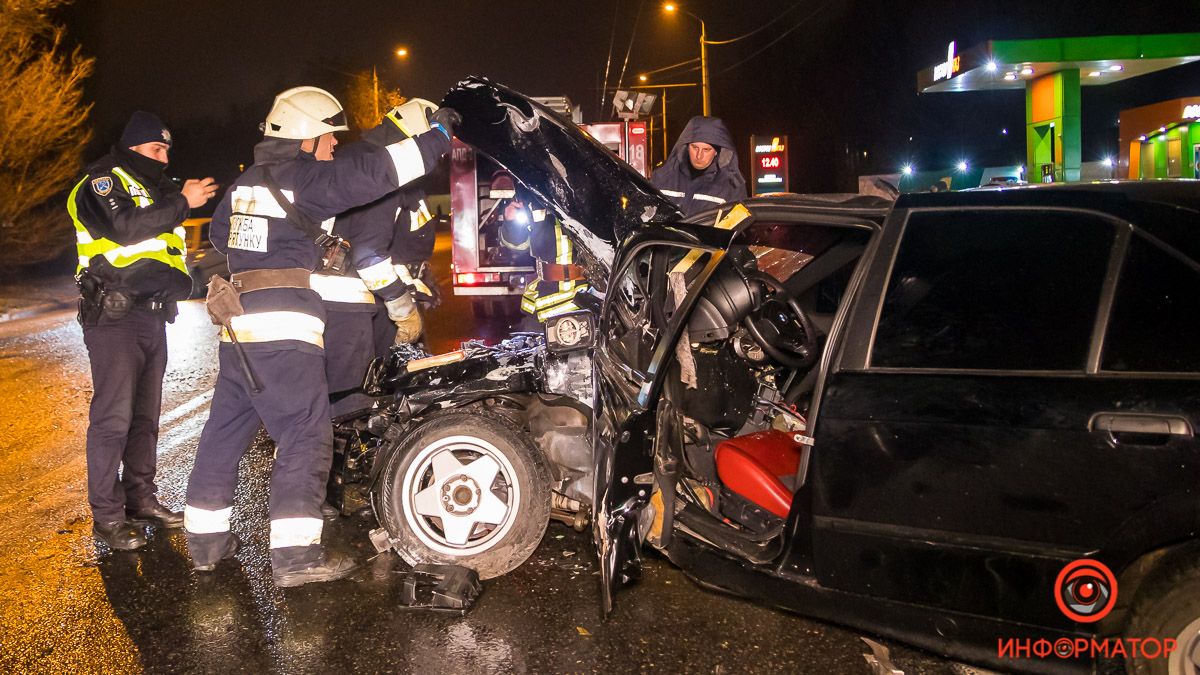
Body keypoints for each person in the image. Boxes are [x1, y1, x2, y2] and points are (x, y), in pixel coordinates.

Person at [183, 86, 457, 586]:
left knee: (226, 430)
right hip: (284, 325)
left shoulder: (247, 183)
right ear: (306, 137)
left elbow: (222, 239)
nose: (334, 145)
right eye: (329, 137)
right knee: (307, 433)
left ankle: (206, 542)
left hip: (239, 325)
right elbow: (376, 172)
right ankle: (296, 557)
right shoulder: (303, 178)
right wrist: (441, 135)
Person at [68, 111, 219, 550]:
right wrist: (183, 202)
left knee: (144, 419)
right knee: (112, 420)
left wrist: (194, 281)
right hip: (113, 316)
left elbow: (167, 256)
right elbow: (124, 228)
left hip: (153, 315)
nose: (165, 158)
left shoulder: (158, 190)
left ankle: (141, 499)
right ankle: (108, 518)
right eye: (157, 149)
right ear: (134, 147)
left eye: (168, 149)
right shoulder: (100, 182)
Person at [318, 102, 439, 416]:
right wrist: (403, 309)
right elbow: (369, 257)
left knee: (391, 395)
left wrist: (423, 279)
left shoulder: (384, 169)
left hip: (380, 300)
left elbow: (405, 240)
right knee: (360, 403)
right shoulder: (377, 172)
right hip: (364, 307)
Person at [512, 191, 588, 325]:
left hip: (582, 297)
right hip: (546, 298)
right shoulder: (532, 195)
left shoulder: (584, 192)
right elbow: (518, 244)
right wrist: (510, 222)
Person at [651, 116, 746, 217]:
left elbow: (737, 226)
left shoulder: (732, 185)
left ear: (716, 152)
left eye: (706, 150)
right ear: (687, 146)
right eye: (695, 147)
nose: (699, 155)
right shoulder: (662, 177)